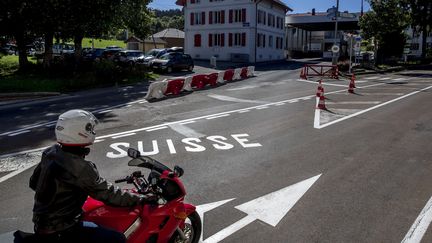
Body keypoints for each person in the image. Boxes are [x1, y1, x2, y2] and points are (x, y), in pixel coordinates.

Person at [28, 109, 154, 243]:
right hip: (62, 230)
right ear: (78, 132)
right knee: (117, 239)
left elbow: (33, 183)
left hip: (41, 225)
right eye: (89, 128)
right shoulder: (81, 168)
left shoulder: (51, 152)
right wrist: (141, 199)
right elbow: (109, 194)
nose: (92, 131)